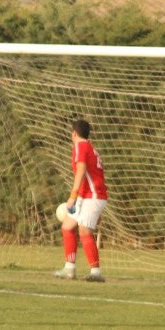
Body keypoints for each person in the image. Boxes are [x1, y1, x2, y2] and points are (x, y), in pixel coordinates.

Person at [54, 118, 108, 283]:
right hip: (88, 196)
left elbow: (82, 170)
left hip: (92, 196)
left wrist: (73, 195)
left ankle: (96, 271)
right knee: (67, 227)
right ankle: (69, 269)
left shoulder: (80, 145)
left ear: (74, 133)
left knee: (84, 231)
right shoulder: (90, 147)